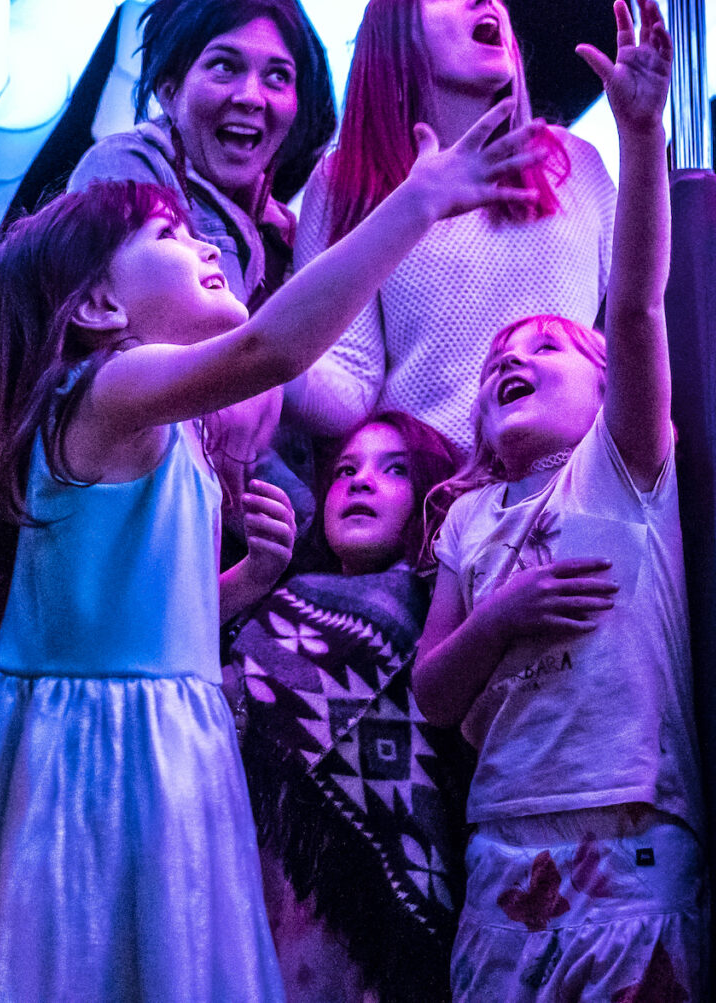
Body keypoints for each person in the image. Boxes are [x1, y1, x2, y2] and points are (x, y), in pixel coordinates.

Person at [0, 100, 538, 1003]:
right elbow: (274, 342)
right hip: (96, 758)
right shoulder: (107, 388)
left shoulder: (153, 425)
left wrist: (246, 579)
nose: (210, 247)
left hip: (152, 732)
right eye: (173, 235)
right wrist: (417, 203)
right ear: (101, 303)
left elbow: (123, 621)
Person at [409, 0, 696, 1003]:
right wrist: (498, 618)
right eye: (496, 361)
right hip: (502, 840)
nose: (512, 358)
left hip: (629, 828)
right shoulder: (464, 521)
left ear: (606, 386)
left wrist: (639, 133)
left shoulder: (620, 469)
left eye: (545, 347)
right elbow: (434, 695)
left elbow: (637, 297)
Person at [293, 0, 616, 452]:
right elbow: (351, 378)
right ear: (397, 39)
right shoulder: (343, 182)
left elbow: (635, 329)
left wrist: (643, 138)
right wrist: (253, 366)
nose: (486, 1)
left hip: (567, 492)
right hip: (431, 499)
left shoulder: (575, 165)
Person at [223, 410, 467, 1003]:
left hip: (358, 908)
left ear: (433, 496)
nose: (360, 482)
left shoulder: (442, 608)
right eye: (345, 471)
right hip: (255, 881)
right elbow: (193, 699)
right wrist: (254, 578)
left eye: (396, 470)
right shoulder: (282, 598)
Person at [71, 0, 338, 314]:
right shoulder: (124, 167)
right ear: (169, 92)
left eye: (277, 75)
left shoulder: (284, 233)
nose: (251, 97)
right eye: (225, 66)